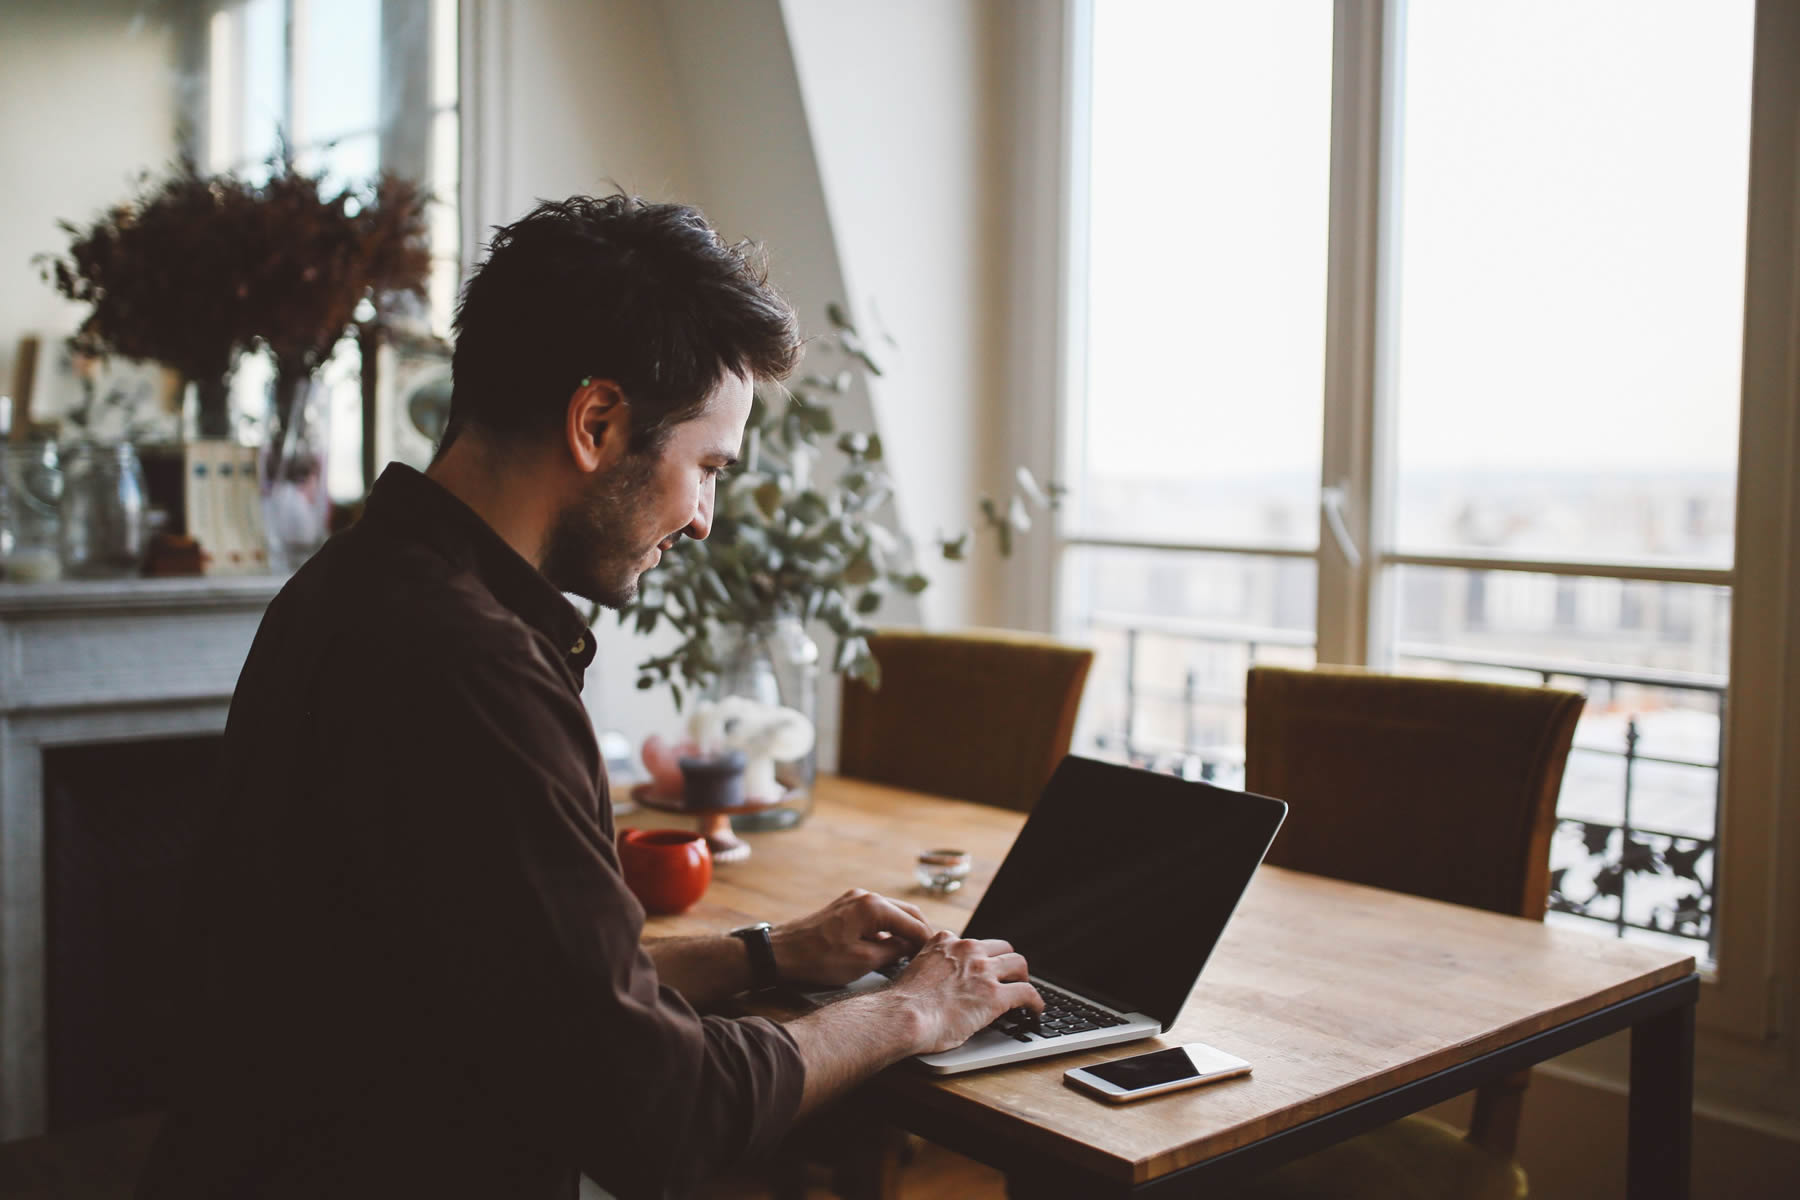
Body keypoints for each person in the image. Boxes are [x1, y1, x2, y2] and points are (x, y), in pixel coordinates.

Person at [136, 195, 1042, 1200]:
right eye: (707, 467)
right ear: (597, 422)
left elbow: (539, 996)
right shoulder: (471, 669)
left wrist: (769, 953)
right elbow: (659, 1110)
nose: (703, 519)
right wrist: (910, 1011)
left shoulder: (359, 586)